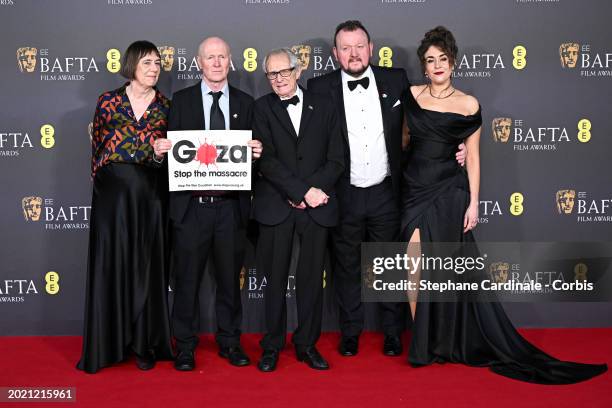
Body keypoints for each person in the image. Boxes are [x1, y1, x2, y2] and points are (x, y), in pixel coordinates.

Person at [402, 26, 607, 384]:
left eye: (442, 59)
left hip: (450, 193)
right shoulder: (411, 96)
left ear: (453, 63)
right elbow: (404, 140)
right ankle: (423, 340)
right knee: (412, 262)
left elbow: (476, 157)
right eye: (430, 60)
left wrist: (475, 203)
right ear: (423, 65)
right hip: (414, 190)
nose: (436, 65)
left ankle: (437, 344)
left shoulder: (468, 104)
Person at [308, 20, 466, 357]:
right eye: (346, 48)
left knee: (390, 263)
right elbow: (306, 139)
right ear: (336, 54)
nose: (354, 54)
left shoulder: (396, 81)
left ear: (371, 48)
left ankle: (393, 332)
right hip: (343, 190)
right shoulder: (318, 88)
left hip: (386, 190)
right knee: (347, 264)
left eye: (359, 46)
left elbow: (427, 123)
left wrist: (458, 146)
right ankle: (351, 332)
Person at [153, 37, 262, 371]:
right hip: (191, 207)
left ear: (231, 61)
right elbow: (169, 155)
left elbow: (253, 160)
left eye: (222, 57)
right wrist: (161, 152)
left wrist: (256, 153)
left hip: (231, 208)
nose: (216, 63)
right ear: (199, 63)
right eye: (210, 57)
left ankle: (230, 342)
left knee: (230, 281)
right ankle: (184, 346)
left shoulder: (247, 103)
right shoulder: (180, 102)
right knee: (186, 280)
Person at [77, 41, 173, 373]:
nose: (154, 68)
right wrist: (104, 183)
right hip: (112, 198)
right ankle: (108, 344)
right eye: (147, 62)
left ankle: (144, 342)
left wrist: (160, 153)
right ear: (131, 64)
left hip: (150, 195)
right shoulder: (107, 101)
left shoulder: (165, 106)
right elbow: (97, 149)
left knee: (146, 267)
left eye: (158, 63)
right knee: (111, 265)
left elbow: (167, 160)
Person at [253, 47, 344, 372]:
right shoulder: (260, 108)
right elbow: (266, 160)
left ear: (298, 70)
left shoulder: (327, 106)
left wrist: (310, 194)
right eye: (272, 74)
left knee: (310, 281)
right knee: (274, 280)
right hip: (277, 203)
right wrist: (300, 191)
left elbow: (337, 158)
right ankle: (272, 345)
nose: (278, 79)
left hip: (317, 205)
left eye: (284, 71)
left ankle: (307, 344)